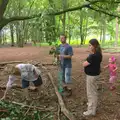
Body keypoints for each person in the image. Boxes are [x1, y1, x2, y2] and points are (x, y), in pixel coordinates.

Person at [83, 39, 102, 116]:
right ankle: (93, 108)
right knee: (94, 92)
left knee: (91, 93)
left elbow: (84, 64)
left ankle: (91, 110)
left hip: (91, 77)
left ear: (94, 46)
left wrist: (88, 57)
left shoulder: (93, 56)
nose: (89, 46)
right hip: (95, 75)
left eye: (90, 45)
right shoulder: (99, 54)